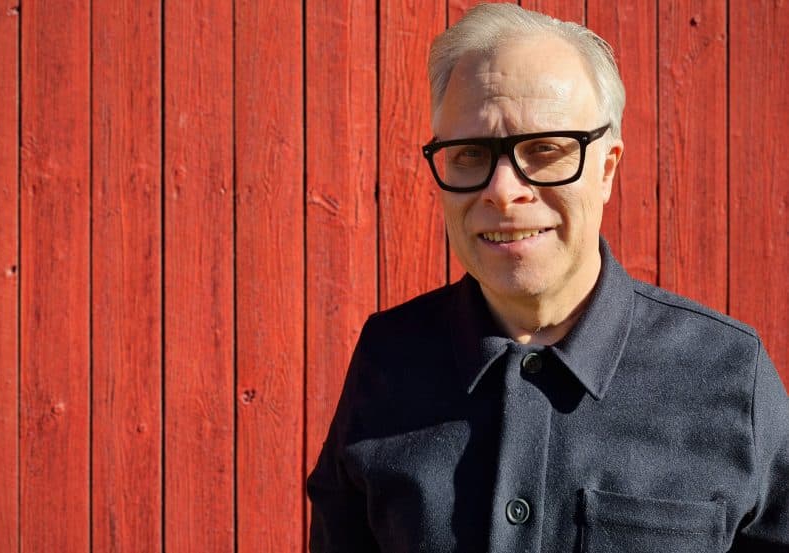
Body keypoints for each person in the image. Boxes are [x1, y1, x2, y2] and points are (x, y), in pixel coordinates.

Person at [306, 3, 789, 551]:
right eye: (469, 154)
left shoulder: (726, 373)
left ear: (607, 169)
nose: (503, 190)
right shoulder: (389, 361)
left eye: (544, 149)